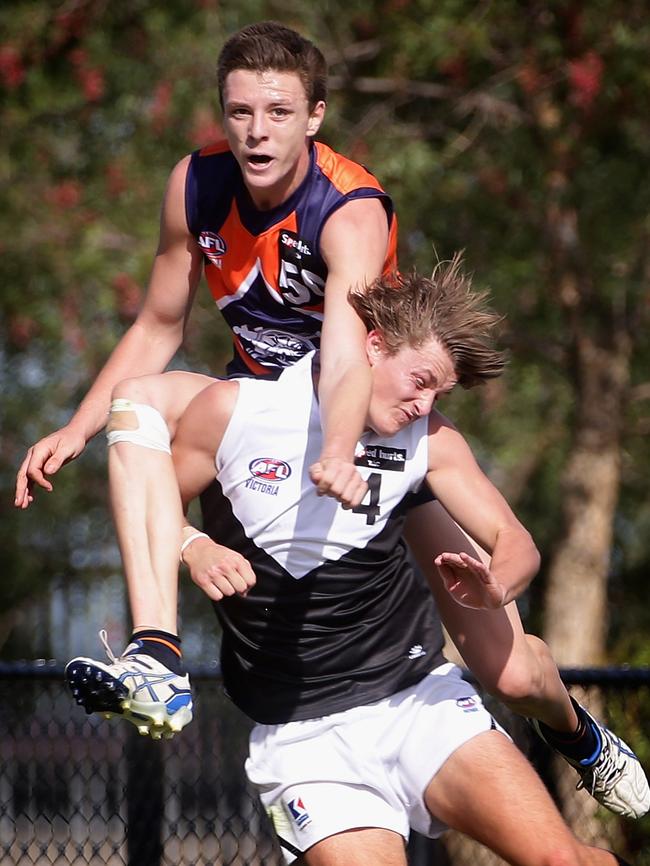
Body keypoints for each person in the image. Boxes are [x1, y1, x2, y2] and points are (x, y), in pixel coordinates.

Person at [17, 22, 648, 819]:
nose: (256, 130)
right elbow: (156, 326)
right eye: (239, 111)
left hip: (364, 430)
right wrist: (77, 431)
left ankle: (579, 734)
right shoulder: (195, 185)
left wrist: (344, 449)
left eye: (278, 112)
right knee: (135, 404)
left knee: (512, 673)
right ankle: (156, 654)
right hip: (268, 409)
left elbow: (349, 357)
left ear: (314, 117)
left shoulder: (350, 210)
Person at [71, 266, 637, 865]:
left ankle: (579, 735)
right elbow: (156, 510)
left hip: (415, 700)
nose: (423, 405)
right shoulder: (236, 413)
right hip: (301, 739)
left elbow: (515, 539)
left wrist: (500, 584)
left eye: (437, 395)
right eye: (419, 382)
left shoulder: (428, 440)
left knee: (561, 859)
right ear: (371, 346)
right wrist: (194, 547)